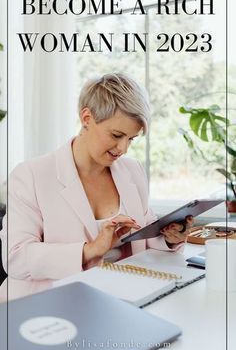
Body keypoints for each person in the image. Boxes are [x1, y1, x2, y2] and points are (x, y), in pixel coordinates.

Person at [0, 73, 192, 302]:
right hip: (46, 308)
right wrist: (90, 249)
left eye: (131, 139)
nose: (123, 148)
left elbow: (145, 235)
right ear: (87, 118)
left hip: (120, 299)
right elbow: (16, 258)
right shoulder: (31, 175)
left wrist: (169, 237)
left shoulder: (132, 171)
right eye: (117, 135)